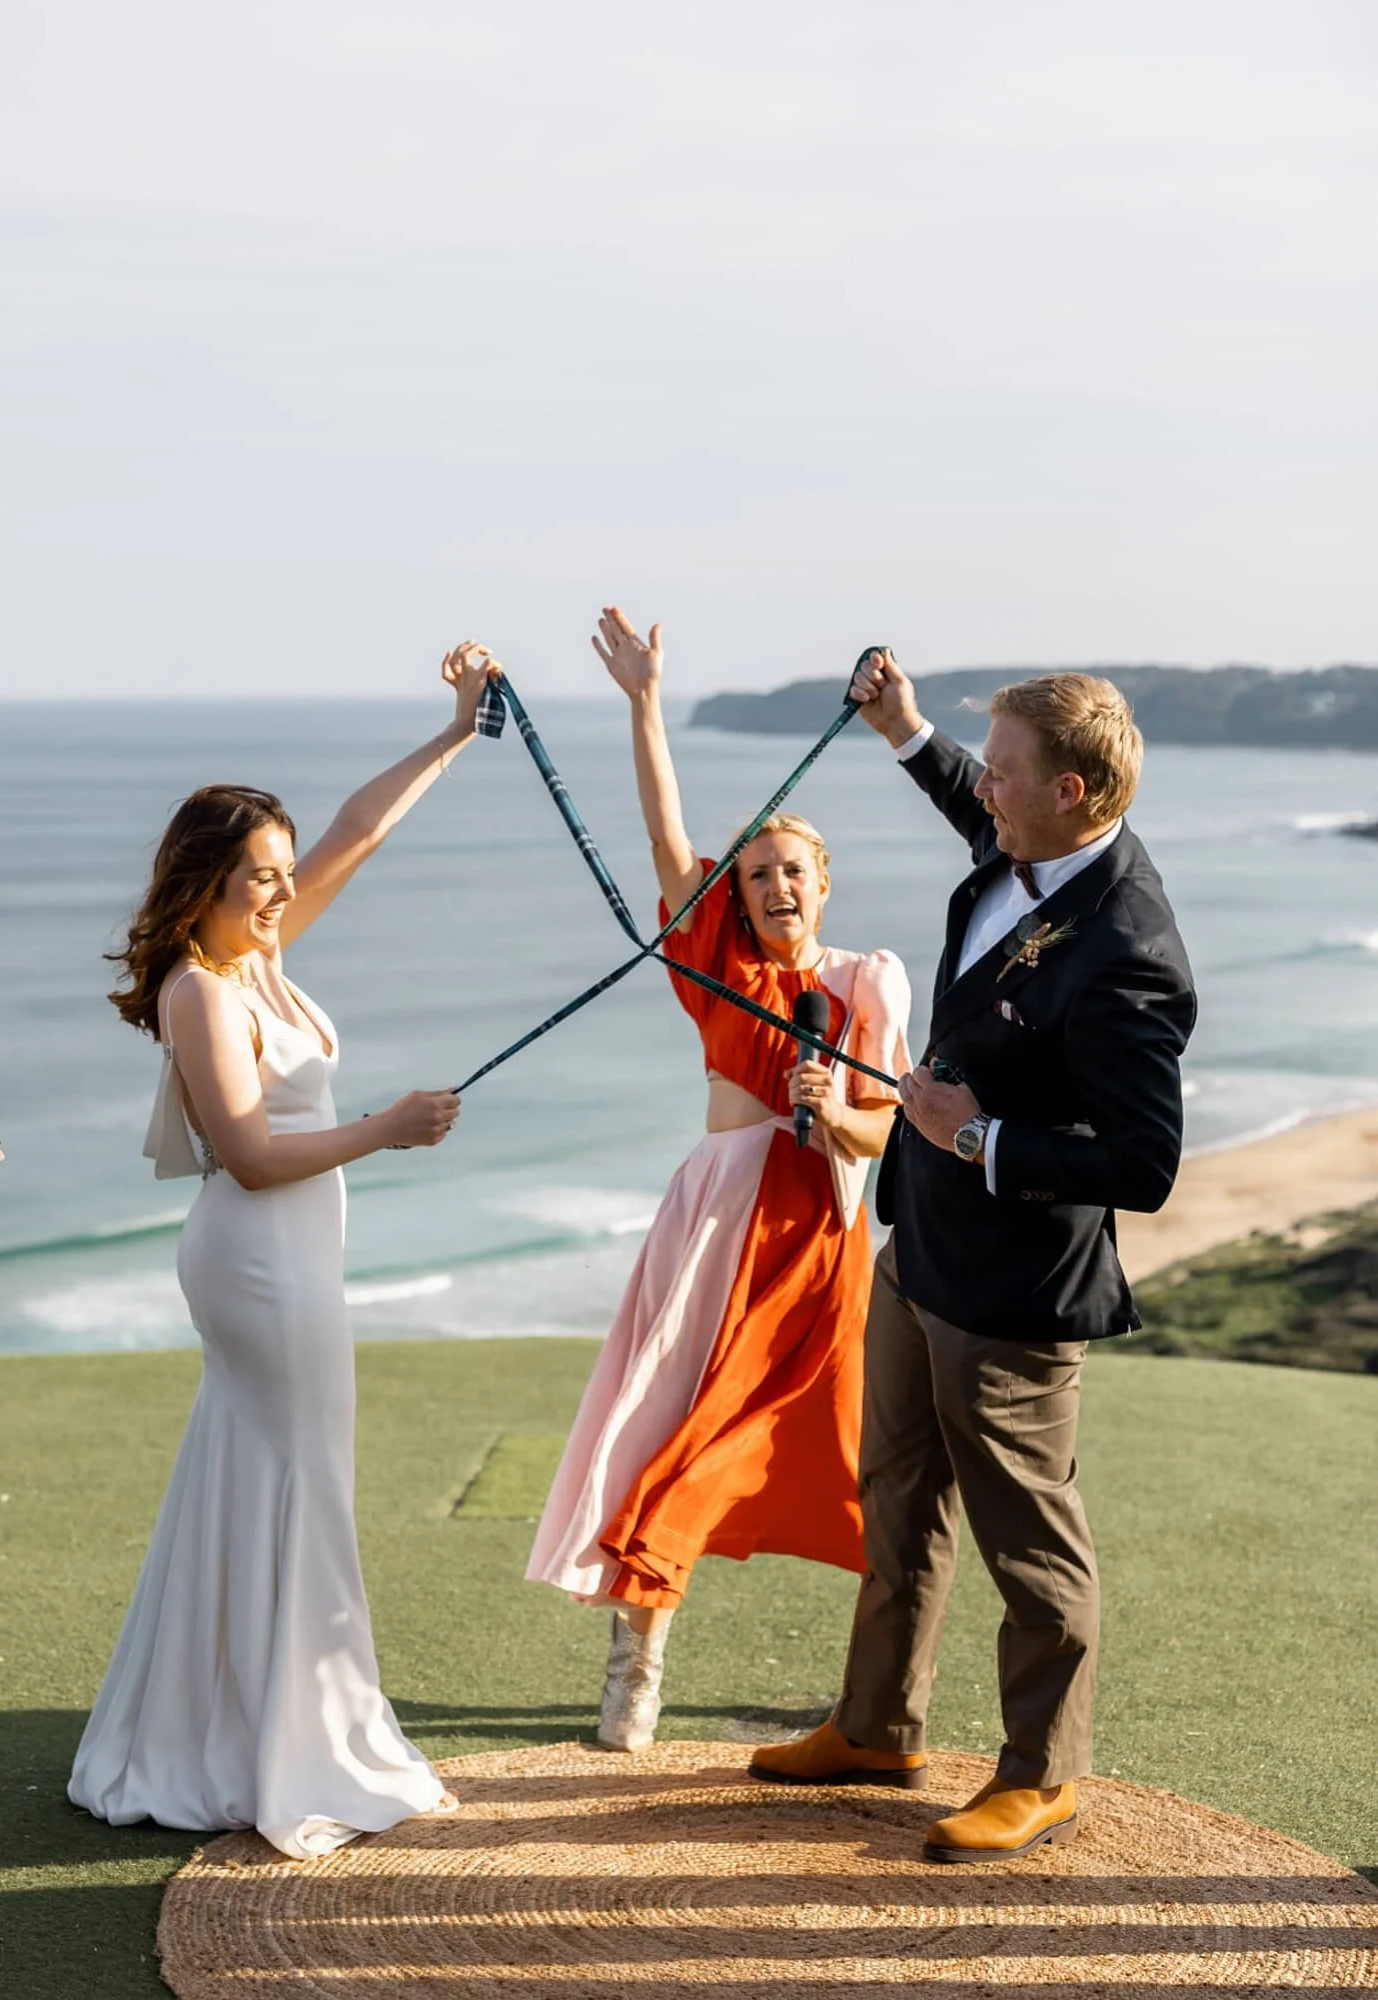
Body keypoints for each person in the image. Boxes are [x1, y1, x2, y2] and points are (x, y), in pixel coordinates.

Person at [750, 652, 1196, 1863]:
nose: (981, 788)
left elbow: (1145, 1162)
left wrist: (980, 1135)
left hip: (1014, 1289)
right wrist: (905, 730)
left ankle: (1042, 1773)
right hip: (920, 1247)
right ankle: (878, 1724)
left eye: (1004, 772)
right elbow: (974, 798)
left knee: (1028, 1538)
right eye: (984, 768)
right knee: (895, 1494)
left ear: (1074, 788)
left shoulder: (1129, 948)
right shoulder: (1035, 840)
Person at [68, 642, 499, 1858]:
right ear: (206, 878)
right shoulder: (198, 990)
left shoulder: (255, 952)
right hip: (258, 1256)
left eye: (280, 870)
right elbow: (251, 1154)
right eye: (259, 872)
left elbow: (357, 830)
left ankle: (238, 1718)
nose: (279, 887)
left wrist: (458, 731)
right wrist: (391, 1128)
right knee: (300, 1478)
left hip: (297, 1253)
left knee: (271, 1473)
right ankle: (287, 1742)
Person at [527, 609, 912, 1750]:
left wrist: (832, 1108)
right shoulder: (719, 967)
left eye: (790, 869)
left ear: (824, 880)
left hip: (821, 1241)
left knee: (846, 1455)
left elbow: (885, 1130)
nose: (772, 886)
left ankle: (870, 1691)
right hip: (719, 1226)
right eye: (754, 876)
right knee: (681, 1435)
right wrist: (645, 701)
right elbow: (662, 840)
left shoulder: (868, 984)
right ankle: (636, 1658)